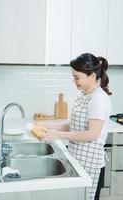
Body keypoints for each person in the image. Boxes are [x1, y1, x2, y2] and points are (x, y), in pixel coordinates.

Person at [39, 53, 112, 200]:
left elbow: (92, 134)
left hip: (91, 164)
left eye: (77, 77)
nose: (74, 81)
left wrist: (58, 135)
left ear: (91, 76)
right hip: (78, 160)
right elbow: (74, 125)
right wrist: (48, 125)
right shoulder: (84, 94)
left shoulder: (99, 99)